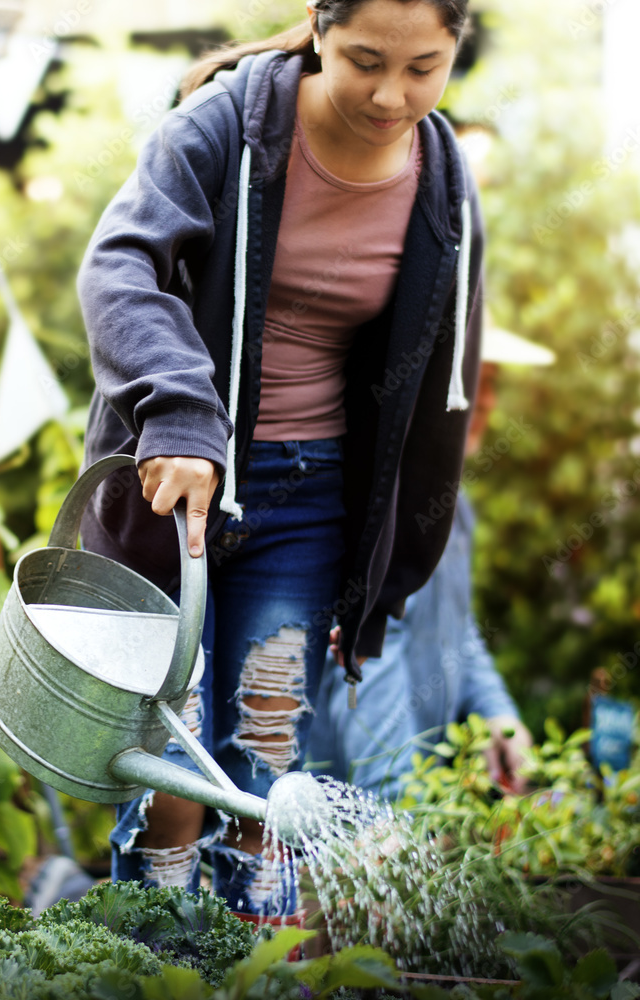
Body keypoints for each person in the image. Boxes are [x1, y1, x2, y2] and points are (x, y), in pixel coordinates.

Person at [76, 0, 484, 921]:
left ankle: (256, 966)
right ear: (317, 26)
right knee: (175, 776)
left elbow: (436, 394)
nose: (390, 93)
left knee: (266, 766)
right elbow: (119, 268)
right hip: (177, 486)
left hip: (311, 496)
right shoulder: (227, 127)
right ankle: (151, 966)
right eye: (363, 59)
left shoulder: (442, 182)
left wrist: (387, 574)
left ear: (455, 46)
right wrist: (179, 416)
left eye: (423, 67)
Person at [306, 324, 554, 799]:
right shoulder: (387, 508)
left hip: (416, 790)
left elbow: (460, 630)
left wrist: (498, 717)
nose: (486, 401)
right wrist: (399, 807)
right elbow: (369, 659)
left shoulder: (455, 508)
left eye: (493, 381)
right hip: (338, 813)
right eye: (473, 377)